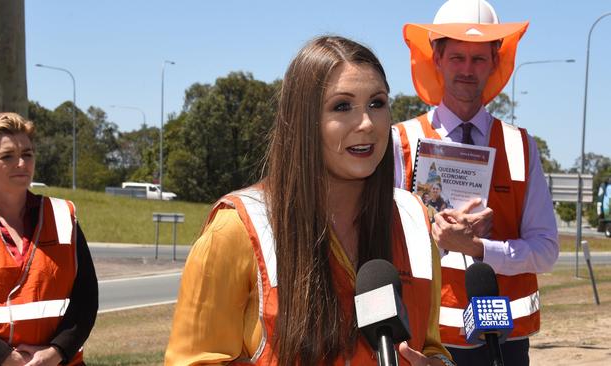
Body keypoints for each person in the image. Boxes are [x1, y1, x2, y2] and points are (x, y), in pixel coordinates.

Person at [164, 36, 454, 366]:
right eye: (342, 106)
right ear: (304, 121)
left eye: (377, 103)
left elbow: (432, 346)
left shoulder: (416, 222)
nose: (366, 124)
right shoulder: (236, 230)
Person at [392, 1, 559, 365]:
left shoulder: (520, 145)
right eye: (457, 57)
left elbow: (546, 250)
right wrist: (437, 241)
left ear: (495, 62)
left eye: (479, 58)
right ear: (436, 59)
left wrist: (481, 248)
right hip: (424, 339)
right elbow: (382, 246)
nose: (468, 70)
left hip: (506, 343)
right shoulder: (400, 142)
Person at [0, 113, 98, 365]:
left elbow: (86, 297)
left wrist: (56, 352)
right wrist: (5, 358)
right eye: (7, 156)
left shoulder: (62, 216)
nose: (21, 163)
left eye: (27, 154)